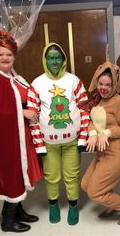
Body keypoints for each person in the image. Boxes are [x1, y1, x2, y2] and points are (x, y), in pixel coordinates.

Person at [0, 30, 45, 233]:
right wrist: (23, 112)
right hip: (7, 139)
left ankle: (18, 210)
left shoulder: (14, 77)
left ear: (14, 56)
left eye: (8, 54)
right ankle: (8, 220)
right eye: (1, 54)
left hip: (21, 135)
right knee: (13, 174)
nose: (5, 58)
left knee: (22, 172)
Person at [27, 42, 89, 225]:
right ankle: (53, 205)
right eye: (50, 57)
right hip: (48, 143)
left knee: (72, 176)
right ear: (45, 60)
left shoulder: (74, 81)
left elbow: (84, 109)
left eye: (57, 58)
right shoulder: (37, 83)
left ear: (63, 60)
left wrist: (83, 138)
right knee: (52, 176)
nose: (54, 61)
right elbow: (33, 117)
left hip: (72, 141)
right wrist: (39, 145)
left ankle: (73, 206)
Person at [81, 61, 120, 225]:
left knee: (94, 192)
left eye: (108, 85)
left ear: (115, 85)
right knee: (86, 185)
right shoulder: (99, 100)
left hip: (118, 153)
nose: (103, 88)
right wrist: (92, 132)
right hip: (103, 152)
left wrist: (108, 132)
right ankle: (111, 204)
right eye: (100, 84)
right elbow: (93, 121)